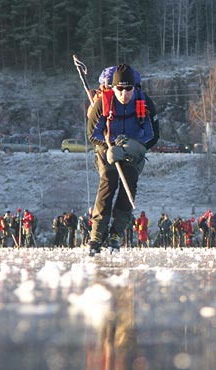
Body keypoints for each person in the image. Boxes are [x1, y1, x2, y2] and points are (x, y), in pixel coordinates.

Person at [87, 64, 155, 256]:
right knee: (108, 182)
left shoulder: (144, 102)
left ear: (135, 88)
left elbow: (153, 135)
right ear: (113, 88)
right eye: (120, 89)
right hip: (107, 150)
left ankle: (116, 232)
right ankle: (97, 234)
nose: (124, 94)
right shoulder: (104, 103)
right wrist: (110, 147)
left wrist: (134, 147)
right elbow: (92, 134)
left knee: (129, 183)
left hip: (133, 151)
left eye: (128, 89)